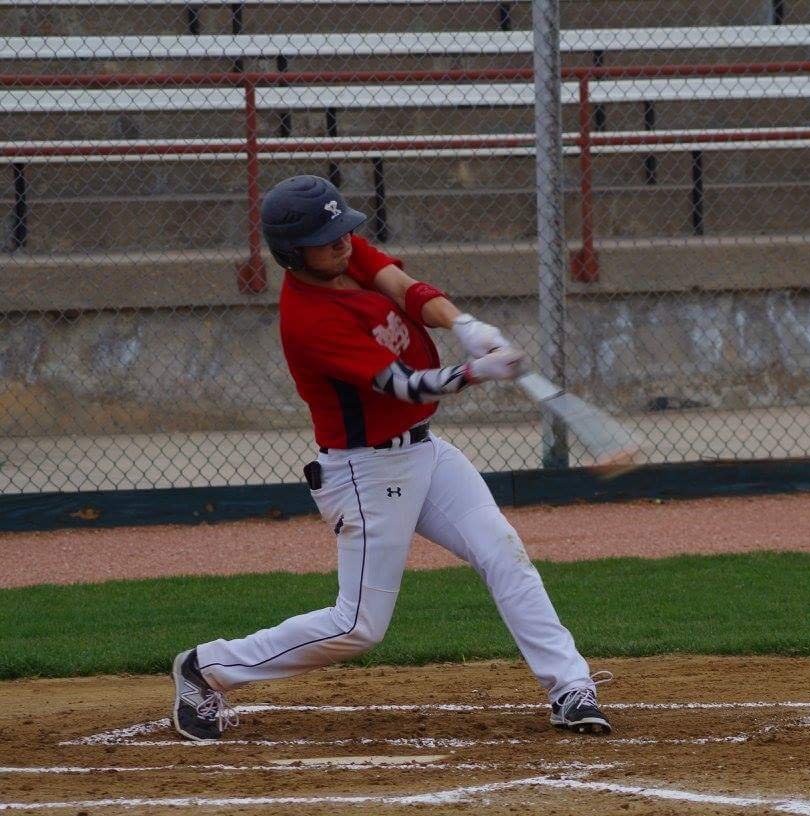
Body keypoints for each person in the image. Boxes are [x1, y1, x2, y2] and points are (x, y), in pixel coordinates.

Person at [170, 175, 610, 741]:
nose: (343, 243)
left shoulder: (342, 256)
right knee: (358, 626)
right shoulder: (309, 319)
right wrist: (474, 372)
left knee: (504, 554)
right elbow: (402, 385)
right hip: (364, 471)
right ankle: (203, 669)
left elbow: (405, 288)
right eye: (325, 238)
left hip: (424, 452)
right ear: (291, 253)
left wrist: (464, 325)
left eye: (343, 231)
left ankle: (570, 687)